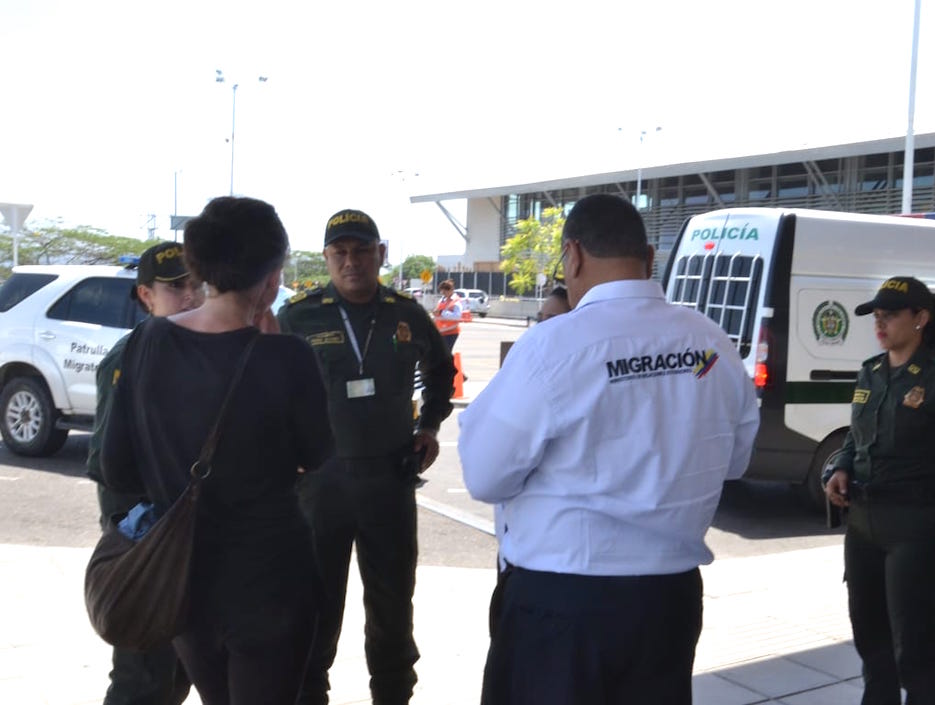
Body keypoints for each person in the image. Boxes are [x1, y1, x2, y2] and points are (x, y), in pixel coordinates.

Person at [458, 193, 760, 705]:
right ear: (648, 258)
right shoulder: (712, 343)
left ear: (572, 255)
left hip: (565, 605)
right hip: (669, 602)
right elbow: (734, 461)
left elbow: (486, 476)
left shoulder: (554, 346)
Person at [100, 196, 333, 705]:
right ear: (272, 278)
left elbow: (117, 466)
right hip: (272, 583)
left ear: (200, 267)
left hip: (184, 580)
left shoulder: (146, 343)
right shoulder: (287, 355)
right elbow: (317, 453)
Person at [277, 209, 456, 705]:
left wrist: (431, 425)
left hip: (389, 482)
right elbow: (264, 383)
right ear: (327, 258)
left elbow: (441, 371)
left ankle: (394, 695)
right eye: (340, 253)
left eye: (361, 251)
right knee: (316, 609)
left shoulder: (406, 313)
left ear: (380, 254)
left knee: (393, 609)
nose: (351, 261)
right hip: (319, 485)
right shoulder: (299, 315)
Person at [823, 276, 935, 705]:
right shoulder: (871, 372)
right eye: (876, 316)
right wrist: (840, 468)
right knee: (872, 646)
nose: (880, 324)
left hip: (913, 526)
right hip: (862, 526)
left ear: (921, 318)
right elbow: (856, 439)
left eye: (890, 315)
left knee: (915, 651)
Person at [86, 241, 202, 705]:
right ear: (145, 297)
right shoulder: (129, 357)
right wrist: (139, 543)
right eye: (175, 287)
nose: (190, 297)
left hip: (195, 542)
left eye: (197, 285)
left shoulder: (204, 352)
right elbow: (109, 470)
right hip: (152, 546)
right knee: (141, 681)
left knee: (179, 677)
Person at [432, 279, 463, 352]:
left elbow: (457, 316)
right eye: (442, 291)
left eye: (444, 291)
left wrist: (442, 312)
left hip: (451, 331)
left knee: (445, 353)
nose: (443, 293)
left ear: (450, 290)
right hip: (441, 331)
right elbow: (438, 313)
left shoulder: (456, 301)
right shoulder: (442, 299)